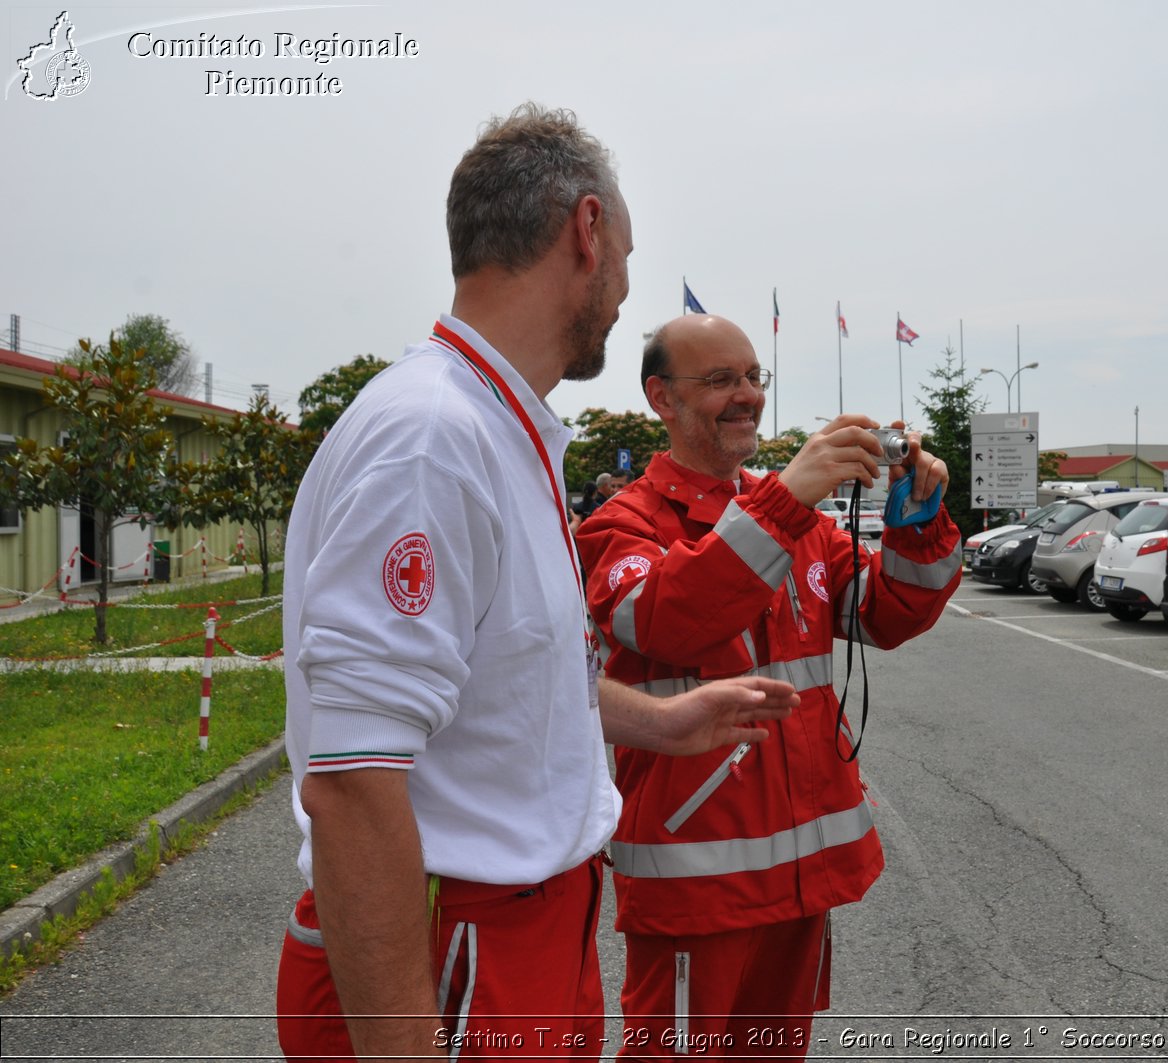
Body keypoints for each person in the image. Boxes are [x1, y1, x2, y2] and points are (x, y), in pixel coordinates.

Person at [275, 106, 797, 1062]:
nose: (626, 287)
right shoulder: (434, 438)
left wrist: (661, 722)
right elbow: (352, 783)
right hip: (451, 947)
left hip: (498, 935)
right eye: (628, 257)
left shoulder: (493, 427)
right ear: (586, 232)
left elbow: (496, 674)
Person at [575, 314, 963, 1057]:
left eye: (754, 377)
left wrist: (920, 527)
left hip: (801, 878)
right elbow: (663, 619)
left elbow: (885, 615)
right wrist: (785, 501)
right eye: (721, 380)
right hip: (698, 883)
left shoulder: (801, 523)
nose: (747, 395)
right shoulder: (624, 523)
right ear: (662, 397)